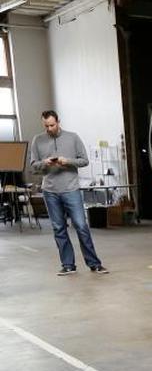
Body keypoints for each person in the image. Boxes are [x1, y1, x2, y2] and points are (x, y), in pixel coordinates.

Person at [29, 110, 109, 275]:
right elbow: (33, 165)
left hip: (71, 189)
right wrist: (44, 163)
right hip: (50, 190)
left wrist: (68, 161)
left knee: (81, 225)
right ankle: (68, 265)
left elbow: (84, 160)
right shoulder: (38, 140)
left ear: (58, 122)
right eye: (46, 126)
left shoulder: (73, 137)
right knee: (59, 228)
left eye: (52, 125)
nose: (49, 128)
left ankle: (94, 263)